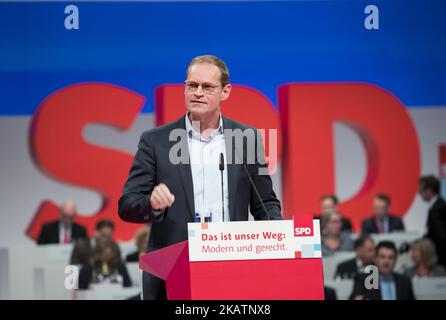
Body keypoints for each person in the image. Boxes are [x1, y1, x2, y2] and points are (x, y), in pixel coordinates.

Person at [118, 55, 282, 299]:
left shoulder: (246, 139)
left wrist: (279, 240)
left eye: (207, 87)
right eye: (191, 85)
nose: (197, 92)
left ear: (225, 92)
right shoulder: (156, 141)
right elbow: (127, 205)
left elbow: (265, 203)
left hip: (232, 268)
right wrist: (151, 204)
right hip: (174, 274)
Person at [350, 241, 415, 300]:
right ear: (375, 259)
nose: (386, 262)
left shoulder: (404, 282)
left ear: (395, 260)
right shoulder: (363, 280)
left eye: (390, 257)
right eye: (382, 257)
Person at [418, 175, 446, 267]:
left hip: (440, 257)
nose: (419, 193)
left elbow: (440, 236)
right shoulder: (440, 205)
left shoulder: (436, 209)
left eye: (421, 190)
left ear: (429, 190)